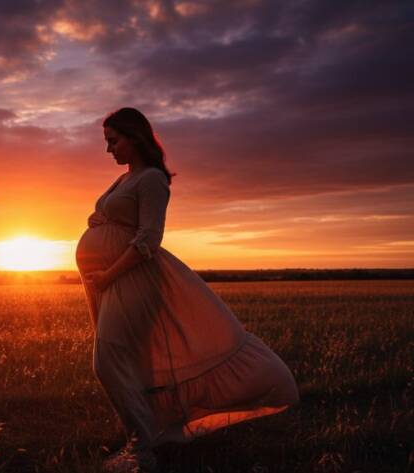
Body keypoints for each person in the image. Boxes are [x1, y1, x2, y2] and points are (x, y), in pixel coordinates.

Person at [75, 107, 300, 472]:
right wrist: (97, 220)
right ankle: (141, 437)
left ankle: (142, 453)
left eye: (114, 141)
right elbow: (115, 216)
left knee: (107, 361)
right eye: (107, 142)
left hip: (132, 281)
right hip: (111, 283)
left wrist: (108, 275)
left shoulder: (151, 180)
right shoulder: (125, 179)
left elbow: (149, 239)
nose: (108, 150)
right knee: (128, 362)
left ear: (135, 137)